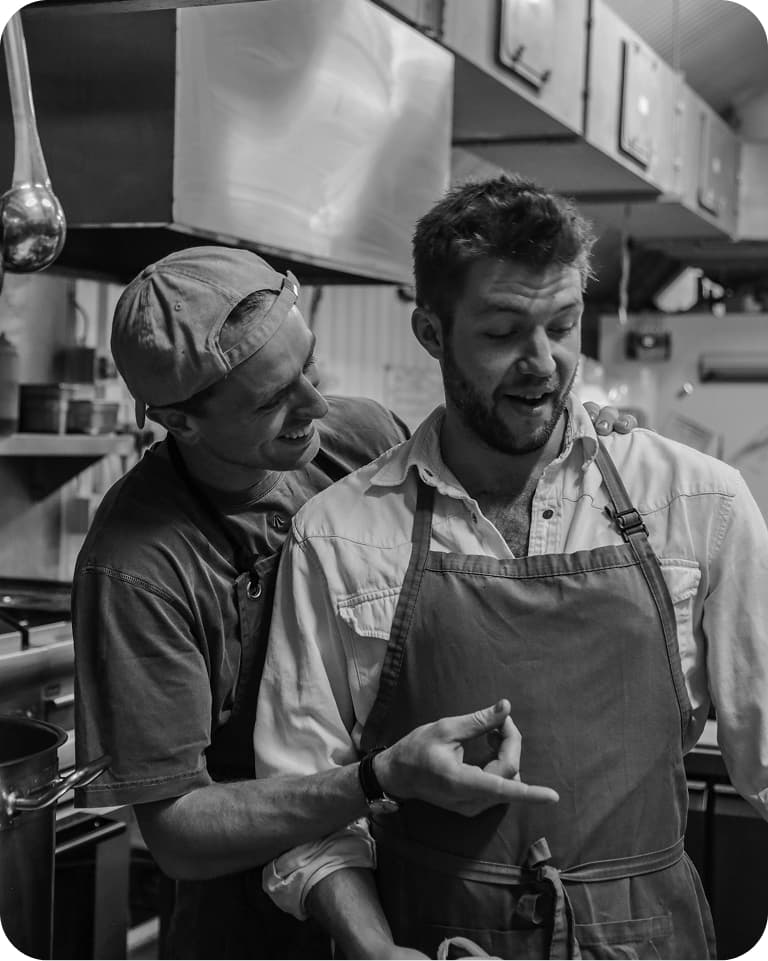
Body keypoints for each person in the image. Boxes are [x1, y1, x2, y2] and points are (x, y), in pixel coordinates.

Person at [253, 175, 768, 960]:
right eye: (502, 332)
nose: (545, 363)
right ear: (431, 330)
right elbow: (307, 807)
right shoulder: (341, 535)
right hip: (428, 936)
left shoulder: (700, 503)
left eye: (563, 325)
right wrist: (374, 949)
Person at [72, 245, 630, 959]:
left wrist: (571, 437)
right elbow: (177, 831)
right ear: (181, 422)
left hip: (417, 889)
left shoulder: (359, 439)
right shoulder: (138, 567)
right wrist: (376, 779)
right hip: (252, 934)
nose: (315, 403)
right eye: (273, 399)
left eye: (308, 366)